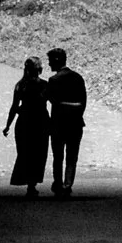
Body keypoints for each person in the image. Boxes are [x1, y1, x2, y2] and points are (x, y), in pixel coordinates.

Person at [2, 55, 49, 198]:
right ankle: (32, 184)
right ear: (39, 70)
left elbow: (14, 106)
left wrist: (8, 125)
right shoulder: (44, 85)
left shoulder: (20, 86)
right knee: (39, 153)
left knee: (25, 153)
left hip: (24, 121)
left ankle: (28, 180)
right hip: (41, 121)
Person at [44, 47, 86, 196]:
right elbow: (83, 102)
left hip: (58, 124)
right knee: (72, 157)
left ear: (56, 61)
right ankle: (68, 185)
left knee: (58, 156)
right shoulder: (78, 77)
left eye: (50, 61)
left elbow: (50, 99)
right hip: (75, 123)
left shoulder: (53, 80)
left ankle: (58, 183)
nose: (49, 65)